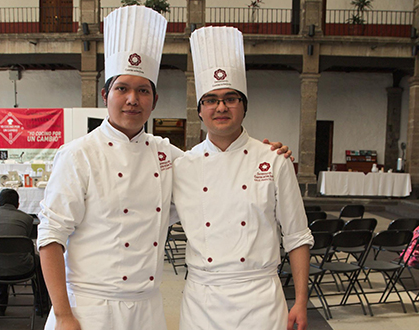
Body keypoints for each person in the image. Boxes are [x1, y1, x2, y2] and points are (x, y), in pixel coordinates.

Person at [37, 6, 292, 330]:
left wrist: (270, 155)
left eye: (142, 90)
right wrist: (62, 314)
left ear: (154, 101)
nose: (132, 99)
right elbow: (50, 237)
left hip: (148, 308)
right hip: (89, 306)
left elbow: (217, 167)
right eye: (122, 89)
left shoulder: (167, 154)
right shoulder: (78, 155)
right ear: (106, 95)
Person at [172, 26, 314, 330]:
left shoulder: (274, 159)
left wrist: (300, 301)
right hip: (202, 300)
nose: (221, 107)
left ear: (243, 106)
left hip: (260, 299)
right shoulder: (182, 165)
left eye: (230, 98)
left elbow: (297, 235)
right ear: (200, 110)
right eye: (210, 100)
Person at [0, 188, 49, 316]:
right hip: (22, 268)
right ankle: (41, 306)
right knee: (39, 260)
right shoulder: (27, 218)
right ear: (18, 205)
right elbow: (25, 242)